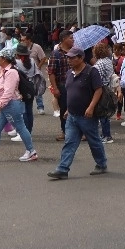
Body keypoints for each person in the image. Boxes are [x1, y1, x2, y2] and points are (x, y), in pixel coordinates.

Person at [48, 46, 108, 179]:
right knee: (69, 142)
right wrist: (68, 109)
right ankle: (62, 169)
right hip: (72, 116)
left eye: (72, 58)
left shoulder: (91, 72)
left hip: (87, 116)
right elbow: (71, 92)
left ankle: (101, 164)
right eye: (68, 58)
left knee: (94, 142)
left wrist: (91, 107)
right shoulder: (69, 73)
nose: (69, 60)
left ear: (81, 58)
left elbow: (98, 90)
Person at [0, 47, 38, 163]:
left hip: (11, 104)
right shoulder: (4, 70)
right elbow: (0, 86)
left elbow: (8, 92)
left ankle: (31, 151)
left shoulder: (11, 72)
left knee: (20, 127)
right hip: (5, 105)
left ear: (4, 59)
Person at [93, 42, 116, 144]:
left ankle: (106, 135)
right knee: (105, 113)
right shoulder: (108, 61)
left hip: (102, 89)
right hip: (108, 89)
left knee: (102, 113)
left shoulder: (100, 63)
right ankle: (106, 135)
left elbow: (98, 77)